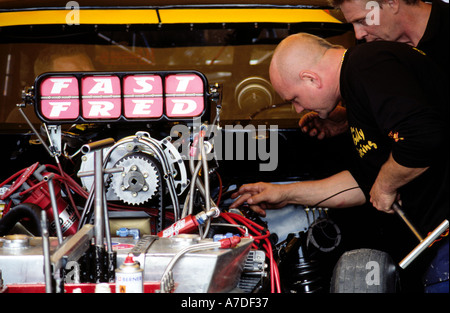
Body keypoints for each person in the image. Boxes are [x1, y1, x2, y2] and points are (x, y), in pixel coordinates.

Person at [230, 33, 449, 292]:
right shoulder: (360, 89)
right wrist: (283, 193)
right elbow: (362, 184)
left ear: (311, 78)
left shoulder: (365, 64)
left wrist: (386, 185)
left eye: (294, 99)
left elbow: (422, 138)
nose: (298, 110)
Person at [300, 0, 449, 140]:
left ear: (392, 2)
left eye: (362, 21)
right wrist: (352, 121)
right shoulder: (370, 46)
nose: (359, 34)